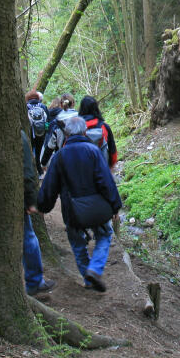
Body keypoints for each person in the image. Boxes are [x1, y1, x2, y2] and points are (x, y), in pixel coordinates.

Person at [37, 116, 121, 292]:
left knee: (77, 244)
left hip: (72, 211)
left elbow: (50, 186)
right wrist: (115, 206)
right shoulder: (93, 151)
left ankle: (88, 278)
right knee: (104, 236)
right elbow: (106, 181)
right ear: (85, 132)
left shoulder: (59, 157)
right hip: (98, 209)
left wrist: (43, 206)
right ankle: (95, 269)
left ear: (66, 134)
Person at [21, 128, 55, 297]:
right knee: (28, 237)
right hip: (14, 197)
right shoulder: (17, 135)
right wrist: (31, 199)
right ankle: (35, 281)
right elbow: (27, 171)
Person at [78, 95, 117, 172]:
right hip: (102, 170)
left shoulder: (76, 128)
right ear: (96, 108)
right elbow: (112, 150)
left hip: (81, 172)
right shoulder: (104, 127)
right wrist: (111, 166)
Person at [40, 93, 77, 170]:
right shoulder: (81, 119)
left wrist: (44, 162)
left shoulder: (57, 121)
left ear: (61, 104)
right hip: (78, 159)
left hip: (62, 160)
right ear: (73, 103)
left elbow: (50, 146)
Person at [25, 90, 49, 175]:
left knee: (30, 151)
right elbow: (47, 122)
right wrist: (45, 131)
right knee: (38, 153)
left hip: (30, 133)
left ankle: (30, 171)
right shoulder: (43, 106)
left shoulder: (26, 106)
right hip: (41, 133)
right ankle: (40, 171)